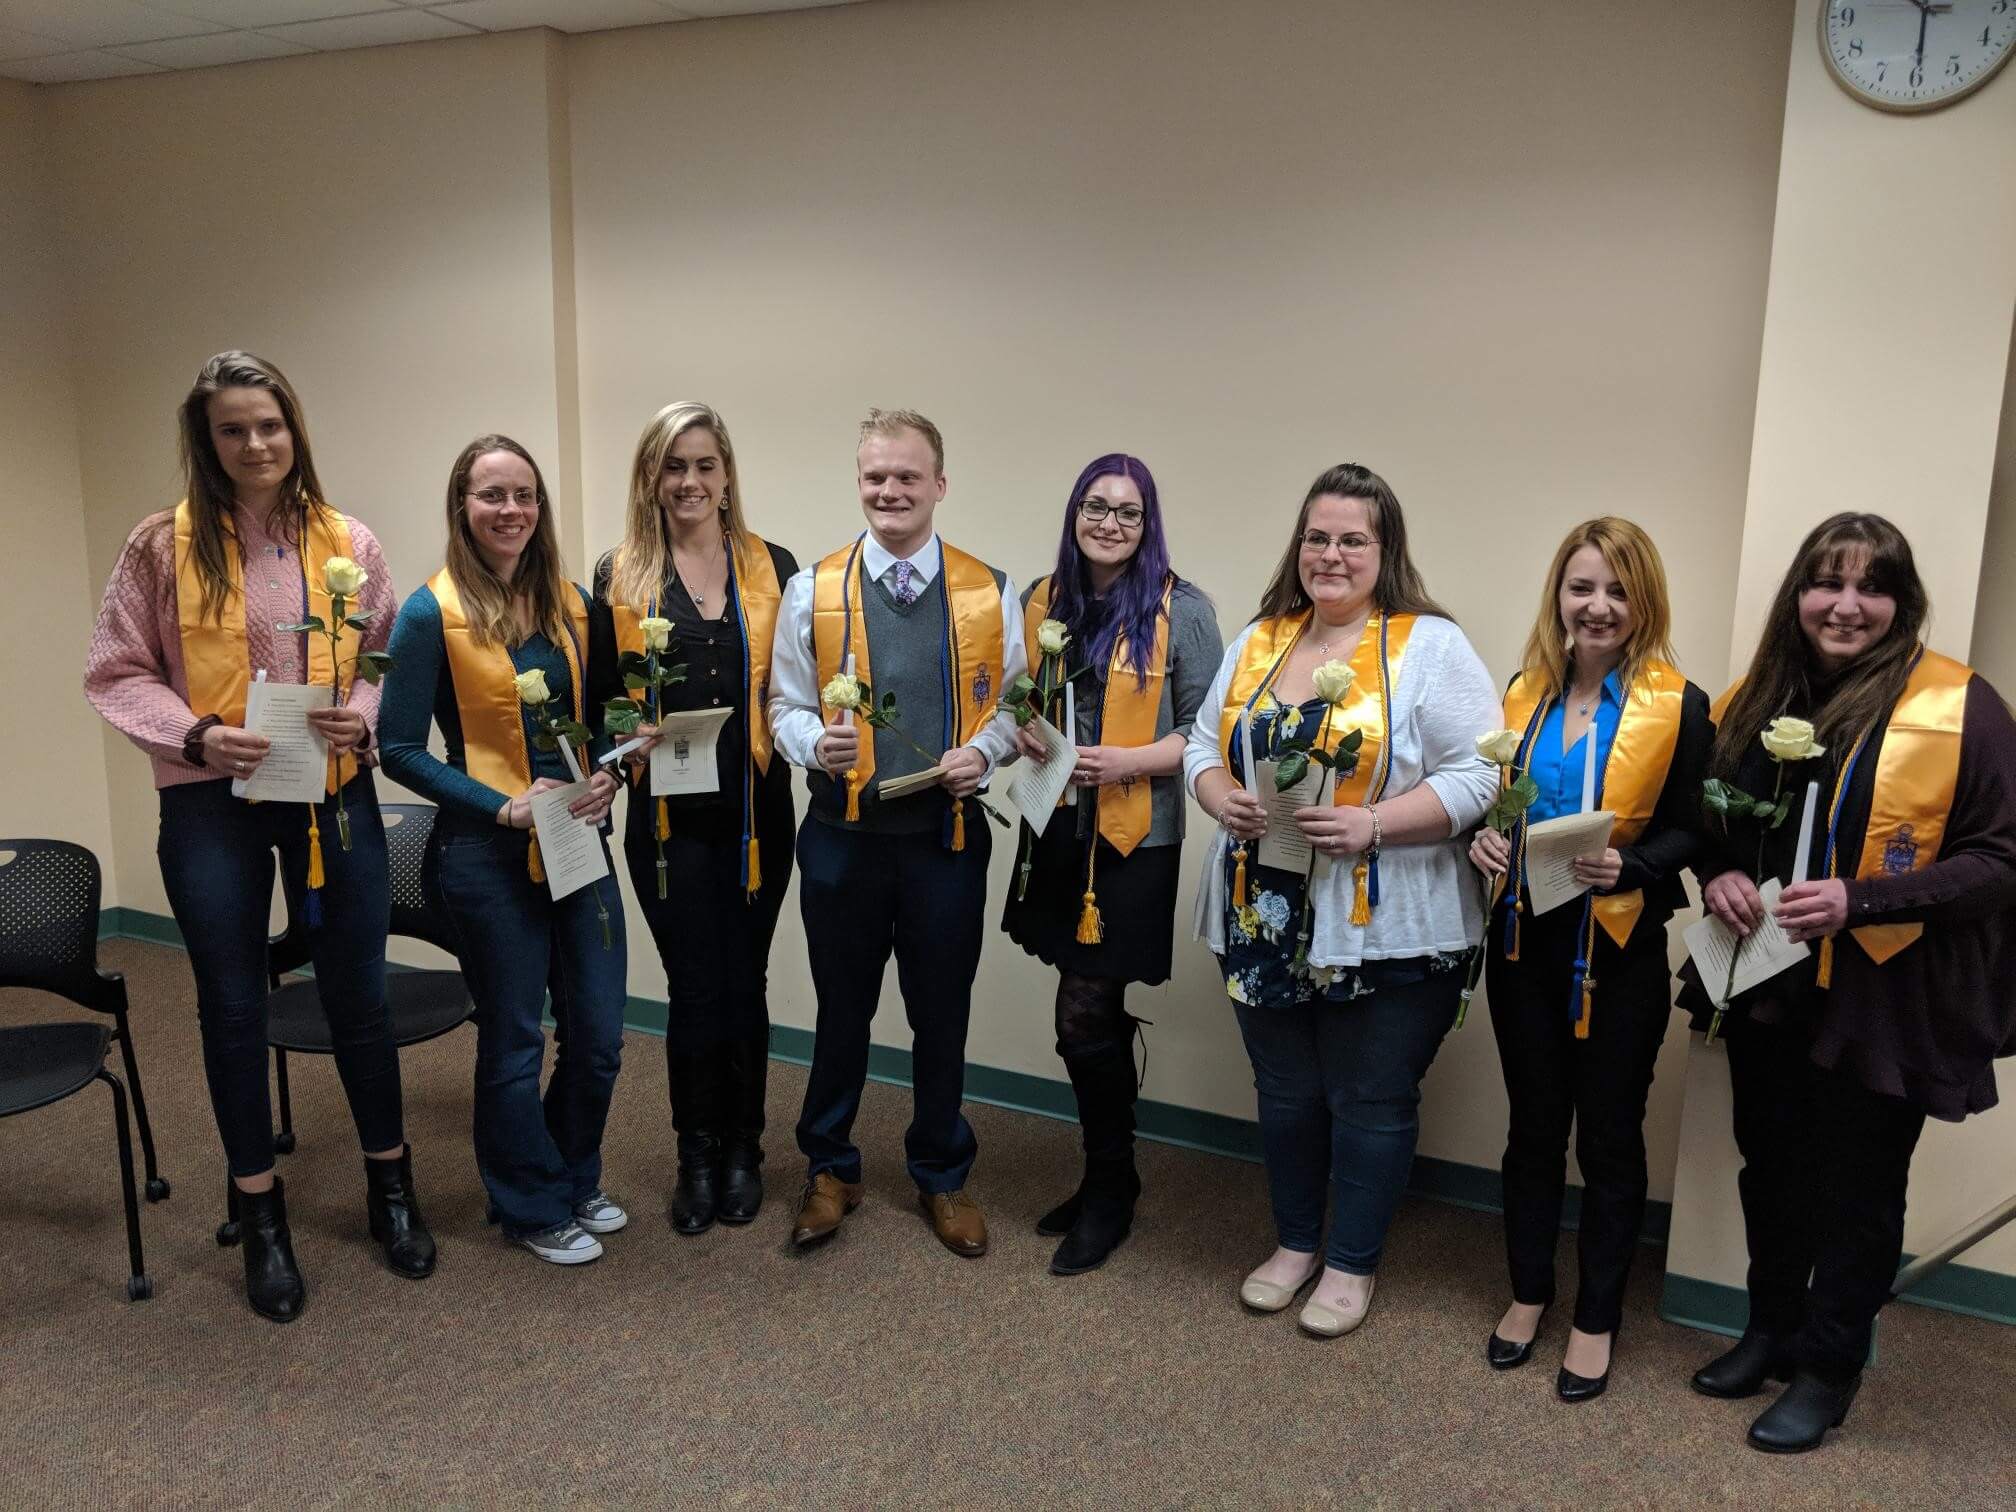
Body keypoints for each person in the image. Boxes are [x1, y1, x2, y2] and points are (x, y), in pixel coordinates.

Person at [84, 350, 434, 1322]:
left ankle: (390, 1186)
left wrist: (362, 715)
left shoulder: (347, 540)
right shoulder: (161, 547)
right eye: (232, 429)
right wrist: (196, 733)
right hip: (212, 798)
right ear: (207, 440)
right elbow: (115, 669)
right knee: (233, 1006)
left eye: (269, 425)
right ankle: (260, 1211)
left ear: (294, 429)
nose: (254, 444)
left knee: (358, 991)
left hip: (329, 793)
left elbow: (385, 653)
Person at [1679, 512, 2016, 1453]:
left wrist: (1861, 900)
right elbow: (1708, 824)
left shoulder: (1961, 707)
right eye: (1827, 582)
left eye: (1872, 587)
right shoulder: (1756, 698)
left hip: (1882, 993)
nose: (1846, 604)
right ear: (1799, 593)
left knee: (1859, 1191)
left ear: (1902, 602)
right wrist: (1718, 872)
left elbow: (2000, 862)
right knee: (1770, 1167)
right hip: (1770, 978)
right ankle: (1771, 1331)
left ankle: (1829, 1369)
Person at [1185, 462, 1498, 1337]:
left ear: (1385, 551)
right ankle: (1294, 1245)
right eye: (1316, 537)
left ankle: (1351, 1261)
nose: (1331, 554)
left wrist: (1375, 824)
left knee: (1370, 1097)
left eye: (1352, 539)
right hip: (1263, 912)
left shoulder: (1430, 646)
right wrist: (1220, 796)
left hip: (1386, 920)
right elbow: (1200, 745)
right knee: (1286, 1091)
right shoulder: (1263, 638)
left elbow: (1480, 772)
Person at [766, 408, 1027, 1257]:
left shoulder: (987, 591)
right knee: (842, 1009)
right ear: (860, 483)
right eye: (876, 476)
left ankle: (941, 1172)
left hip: (944, 842)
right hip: (842, 838)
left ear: (939, 485)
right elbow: (782, 705)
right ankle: (829, 1167)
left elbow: (1015, 705)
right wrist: (815, 742)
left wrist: (983, 755)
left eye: (907, 476)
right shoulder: (814, 588)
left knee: (940, 1013)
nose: (890, 491)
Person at [1468, 518, 1712, 1400]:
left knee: (1609, 1137)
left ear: (1644, 602)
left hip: (1618, 952)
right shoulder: (1521, 693)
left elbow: (1695, 829)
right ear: (1559, 596)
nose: (1598, 605)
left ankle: (1597, 1316)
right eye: (1582, 587)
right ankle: (1529, 1291)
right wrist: (1482, 840)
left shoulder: (1679, 704)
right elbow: (1496, 801)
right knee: (1533, 1128)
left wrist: (1633, 866)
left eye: (1618, 590)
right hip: (1524, 946)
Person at [379, 435, 628, 1267]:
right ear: (463, 505)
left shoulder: (573, 605)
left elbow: (605, 716)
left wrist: (614, 768)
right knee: (516, 1041)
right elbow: (398, 749)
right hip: (484, 855)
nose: (510, 510)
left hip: (577, 839)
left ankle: (571, 1174)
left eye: (524, 494)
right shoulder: (428, 613)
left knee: (598, 1033)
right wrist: (501, 807)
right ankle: (528, 1204)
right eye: (492, 495)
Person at [1001, 454, 1221, 1275]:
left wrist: (1129, 760)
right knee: (1087, 1012)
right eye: (1096, 507)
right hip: (1058, 823)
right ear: (1075, 513)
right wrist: (1025, 728)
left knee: (1083, 1013)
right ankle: (1110, 1176)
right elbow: (1017, 699)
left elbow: (1205, 732)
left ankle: (1110, 1188)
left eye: (1128, 512)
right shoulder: (1043, 597)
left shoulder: (1183, 610)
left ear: (1147, 523)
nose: (1110, 523)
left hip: (1132, 840)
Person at [590, 402, 798, 1234]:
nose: (690, 481)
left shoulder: (773, 566)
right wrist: (622, 739)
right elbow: (603, 700)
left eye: (705, 464)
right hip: (668, 822)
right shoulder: (619, 574)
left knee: (747, 980)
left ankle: (745, 1147)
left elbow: (794, 687)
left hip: (756, 813)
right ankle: (696, 1152)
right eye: (673, 466)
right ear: (651, 477)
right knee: (692, 986)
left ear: (727, 475)